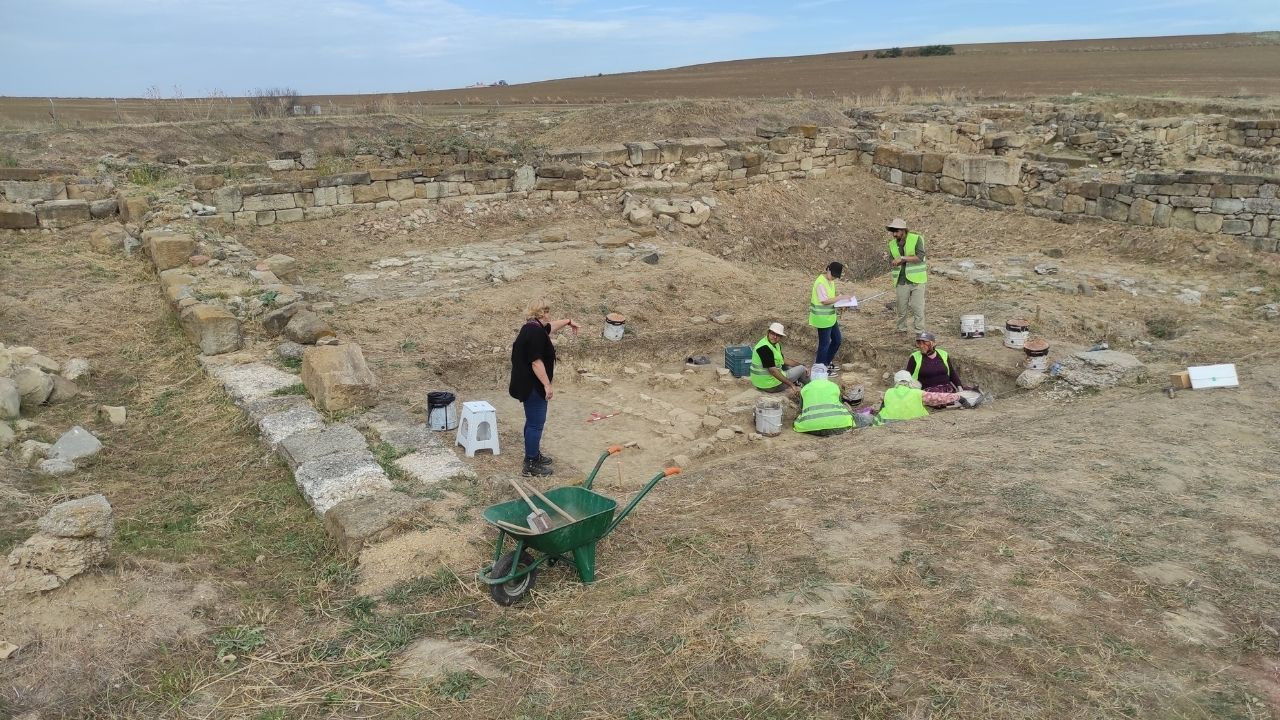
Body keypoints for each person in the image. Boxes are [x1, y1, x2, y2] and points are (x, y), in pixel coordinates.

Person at [508, 301, 579, 477]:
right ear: (542, 314)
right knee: (535, 423)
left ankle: (533, 455)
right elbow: (536, 361)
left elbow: (550, 327)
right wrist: (547, 385)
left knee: (531, 421)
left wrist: (568, 321)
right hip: (533, 386)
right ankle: (530, 463)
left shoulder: (532, 327)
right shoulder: (535, 332)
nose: (549, 316)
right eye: (547, 312)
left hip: (526, 383)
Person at [809, 261, 857, 369]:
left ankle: (826, 363)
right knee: (824, 345)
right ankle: (820, 369)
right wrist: (840, 298)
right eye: (833, 275)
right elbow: (824, 301)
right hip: (822, 319)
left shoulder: (830, 281)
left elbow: (831, 298)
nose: (834, 278)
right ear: (828, 270)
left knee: (837, 340)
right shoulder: (820, 282)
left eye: (836, 277)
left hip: (830, 317)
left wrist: (841, 304)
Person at [886, 217, 927, 333]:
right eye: (893, 231)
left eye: (896, 231)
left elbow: (920, 257)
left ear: (903, 230)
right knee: (901, 309)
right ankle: (901, 330)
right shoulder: (892, 244)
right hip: (901, 280)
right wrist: (893, 262)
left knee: (917, 308)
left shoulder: (916, 239)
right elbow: (891, 260)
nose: (894, 234)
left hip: (917, 281)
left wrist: (903, 259)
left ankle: (919, 332)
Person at [905, 332, 966, 406]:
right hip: (928, 393)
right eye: (919, 343)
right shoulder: (914, 357)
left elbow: (952, 373)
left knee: (967, 392)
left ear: (933, 344)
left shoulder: (943, 354)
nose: (921, 346)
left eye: (925, 343)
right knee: (941, 399)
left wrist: (959, 386)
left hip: (946, 390)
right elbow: (906, 376)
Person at [793, 364, 853, 436]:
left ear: (812, 375)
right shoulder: (834, 386)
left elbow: (801, 409)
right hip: (840, 425)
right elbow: (840, 404)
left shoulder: (805, 388)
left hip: (810, 428)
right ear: (826, 375)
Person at [750, 322, 808, 393]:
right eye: (772, 333)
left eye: (778, 335)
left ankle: (799, 382)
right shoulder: (764, 348)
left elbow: (783, 360)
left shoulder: (773, 344)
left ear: (781, 337)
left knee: (793, 366)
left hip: (761, 382)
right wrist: (791, 385)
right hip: (770, 385)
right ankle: (811, 387)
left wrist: (802, 365)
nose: (775, 337)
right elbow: (773, 371)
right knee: (801, 369)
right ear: (768, 333)